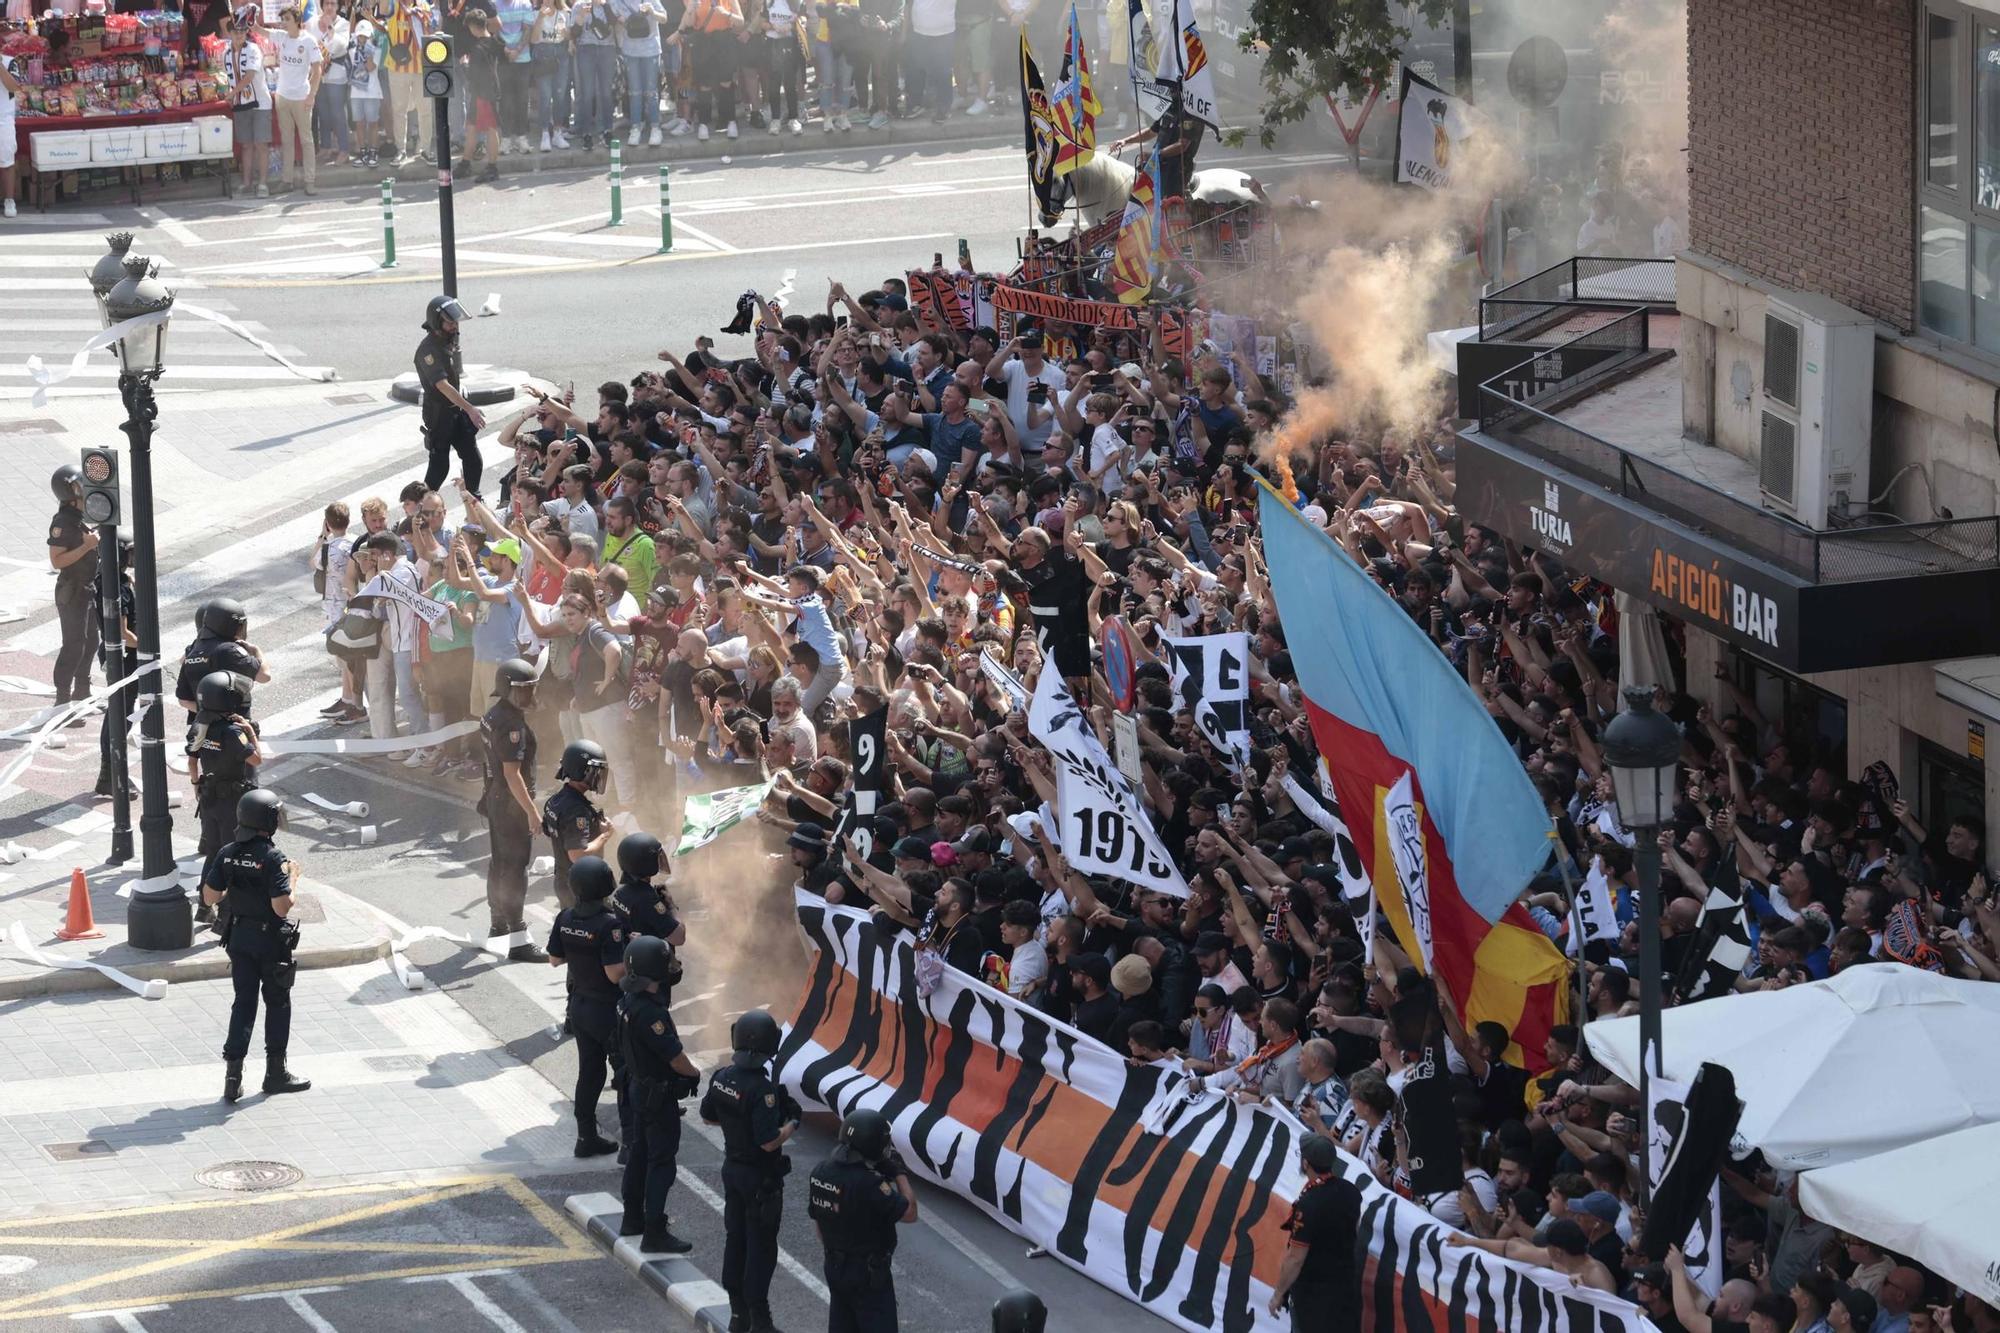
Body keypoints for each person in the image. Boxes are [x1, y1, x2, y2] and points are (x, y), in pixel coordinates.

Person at [200, 790, 311, 1104]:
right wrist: (293, 880)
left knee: (243, 1004)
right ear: (269, 820)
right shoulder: (273, 858)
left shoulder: (228, 852)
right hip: (270, 943)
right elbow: (281, 908)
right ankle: (276, 1073)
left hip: (239, 939)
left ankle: (232, 1079)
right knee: (277, 1004)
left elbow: (210, 897)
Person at [699, 1009, 800, 1333]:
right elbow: (769, 1142)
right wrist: (791, 1124)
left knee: (735, 1238)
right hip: (760, 1178)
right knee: (761, 1246)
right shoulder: (763, 1089)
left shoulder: (721, 1077)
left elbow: (709, 1117)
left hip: (732, 1169)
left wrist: (736, 1123)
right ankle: (761, 1319)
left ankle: (738, 1315)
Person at [617, 934, 703, 1253]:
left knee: (639, 1155)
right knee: (661, 1162)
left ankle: (632, 1218)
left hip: (638, 1088)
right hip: (656, 1095)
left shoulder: (626, 1001)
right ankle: (654, 1230)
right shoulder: (651, 1013)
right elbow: (675, 1057)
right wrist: (693, 1073)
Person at [807, 1107, 917, 1332]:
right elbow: (910, 1213)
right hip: (868, 1274)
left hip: (834, 1266)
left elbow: (819, 1226)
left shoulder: (820, 1171)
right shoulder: (870, 1184)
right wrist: (899, 1174)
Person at [547, 853, 626, 1157]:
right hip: (608, 1010)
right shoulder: (610, 925)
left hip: (579, 1006)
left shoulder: (565, 917)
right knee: (624, 1072)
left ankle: (585, 1137)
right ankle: (630, 1142)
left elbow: (555, 959)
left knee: (590, 1074)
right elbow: (614, 973)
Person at [481, 657, 549, 961]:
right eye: (524, 690)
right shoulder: (512, 725)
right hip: (511, 804)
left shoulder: (493, 715)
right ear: (508, 689)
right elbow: (513, 773)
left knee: (499, 863)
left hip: (496, 798)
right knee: (515, 869)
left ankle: (497, 925)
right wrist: (532, 812)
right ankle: (518, 939)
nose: (530, 696)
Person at [1269, 1134, 1361, 1330]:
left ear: (1305, 1163)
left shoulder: (1308, 1205)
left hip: (1312, 1296)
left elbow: (1295, 1258)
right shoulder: (1351, 1191)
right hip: (1345, 1290)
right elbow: (1355, 1232)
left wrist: (1278, 1294)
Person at [187, 671, 263, 869]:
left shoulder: (199, 726)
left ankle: (205, 896)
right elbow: (256, 760)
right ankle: (225, 897)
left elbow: (192, 763)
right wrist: (251, 733)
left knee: (213, 850)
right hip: (230, 801)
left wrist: (196, 785)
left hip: (208, 796)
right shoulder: (233, 732)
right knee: (230, 851)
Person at [416, 294, 487, 496]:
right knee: (439, 467)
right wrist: (470, 409)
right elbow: (443, 386)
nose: (454, 326)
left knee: (472, 459)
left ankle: (474, 501)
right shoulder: (427, 351)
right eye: (449, 323)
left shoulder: (447, 339)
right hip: (439, 414)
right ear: (437, 323)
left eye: (455, 321)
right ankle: (420, 507)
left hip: (455, 411)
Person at [47, 464, 101, 710]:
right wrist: (87, 546)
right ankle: (62, 697)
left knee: (91, 642)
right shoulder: (63, 522)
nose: (85, 489)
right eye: (80, 485)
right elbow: (57, 560)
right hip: (72, 592)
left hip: (87, 589)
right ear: (69, 492)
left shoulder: (79, 517)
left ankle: (82, 689)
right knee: (74, 644)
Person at [174, 598, 270, 726]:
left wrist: (209, 712)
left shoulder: (192, 652)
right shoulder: (228, 650)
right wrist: (257, 651)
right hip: (235, 728)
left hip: (201, 730)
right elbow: (265, 676)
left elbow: (183, 700)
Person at [544, 738, 613, 911]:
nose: (599, 775)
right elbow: (577, 855)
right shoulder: (577, 811)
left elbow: (548, 829)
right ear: (582, 770)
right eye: (595, 770)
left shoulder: (555, 799)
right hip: (582, 888)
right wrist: (605, 835)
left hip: (563, 881)